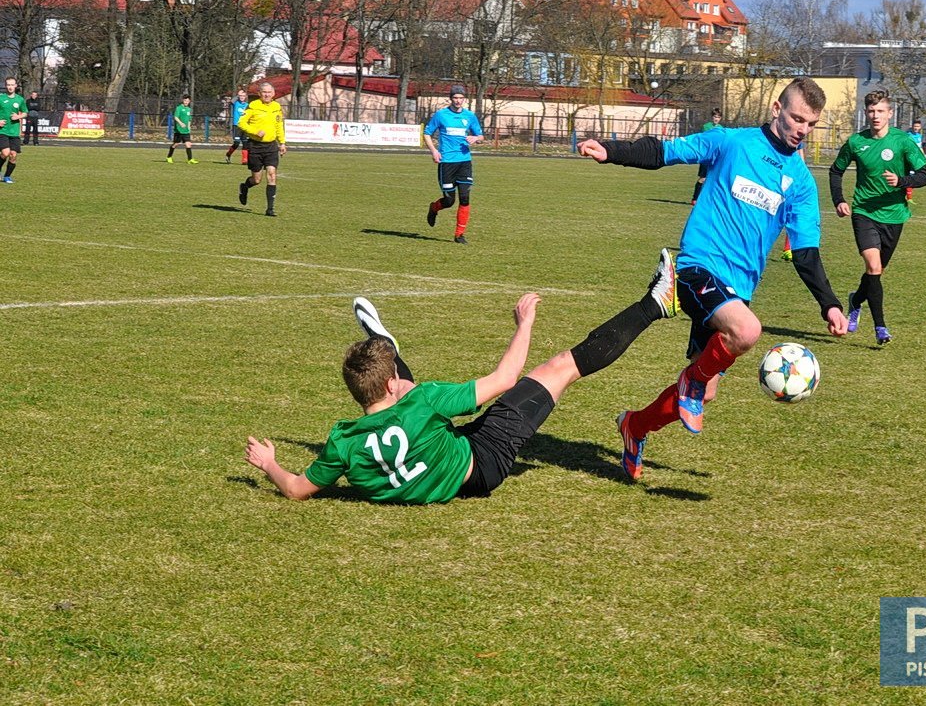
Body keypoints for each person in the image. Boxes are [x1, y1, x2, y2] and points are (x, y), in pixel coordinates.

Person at [243, 249, 679, 503]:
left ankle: (384, 343)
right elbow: (506, 378)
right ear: (390, 383)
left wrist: (270, 464)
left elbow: (298, 489)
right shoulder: (424, 400)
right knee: (561, 367)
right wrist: (523, 324)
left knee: (415, 401)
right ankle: (657, 302)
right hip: (483, 460)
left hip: (443, 456)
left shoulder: (343, 442)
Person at [578, 77, 848, 481]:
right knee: (747, 331)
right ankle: (690, 381)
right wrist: (612, 151)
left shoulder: (803, 186)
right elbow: (666, 151)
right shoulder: (731, 142)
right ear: (777, 110)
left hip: (736, 290)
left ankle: (635, 427)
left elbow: (806, 252)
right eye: (796, 119)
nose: (801, 130)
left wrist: (828, 302)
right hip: (697, 267)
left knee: (710, 389)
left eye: (810, 124)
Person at [828, 90, 926, 346]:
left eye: (881, 111)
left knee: (876, 272)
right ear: (866, 112)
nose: (876, 115)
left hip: (894, 215)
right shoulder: (856, 142)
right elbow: (836, 171)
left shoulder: (903, 141)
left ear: (890, 113)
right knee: (873, 267)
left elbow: (924, 176)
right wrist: (839, 200)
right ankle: (880, 327)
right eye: (871, 111)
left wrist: (902, 181)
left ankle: (855, 300)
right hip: (864, 212)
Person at [424, 84, 484, 244]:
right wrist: (434, 151)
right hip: (447, 163)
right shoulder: (441, 115)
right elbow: (427, 133)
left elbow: (481, 136)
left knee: (465, 198)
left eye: (461, 98)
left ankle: (459, 235)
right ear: (451, 98)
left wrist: (476, 138)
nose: (458, 101)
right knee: (449, 201)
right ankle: (434, 207)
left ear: (464, 99)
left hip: (464, 162)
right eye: (455, 98)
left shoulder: (470, 116)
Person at [236, 81, 286, 217]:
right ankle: (244, 187)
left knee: (271, 174)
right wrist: (255, 131)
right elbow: (241, 123)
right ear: (259, 94)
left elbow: (279, 126)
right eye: (264, 92)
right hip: (255, 146)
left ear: (273, 94)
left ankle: (270, 209)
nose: (267, 95)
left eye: (269, 92)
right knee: (257, 180)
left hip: (271, 146)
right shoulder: (253, 106)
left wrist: (282, 143)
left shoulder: (276, 107)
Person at [690, 108, 723, 204]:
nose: (716, 119)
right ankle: (695, 198)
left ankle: (709, 200)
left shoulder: (721, 128)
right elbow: (707, 140)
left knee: (714, 178)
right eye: (715, 116)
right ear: (712, 117)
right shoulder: (706, 127)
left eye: (718, 117)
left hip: (716, 157)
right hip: (707, 156)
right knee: (703, 178)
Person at [0, 77, 28, 183]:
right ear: (6, 86)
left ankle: (7, 176)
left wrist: (18, 116)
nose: (10, 87)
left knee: (13, 155)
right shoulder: (1, 98)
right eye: (8, 85)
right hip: (2, 131)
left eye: (12, 85)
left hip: (14, 132)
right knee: (5, 153)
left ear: (16, 86)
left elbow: (25, 112)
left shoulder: (20, 99)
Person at [166, 95, 198, 164]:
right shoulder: (179, 108)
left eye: (187, 101)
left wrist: (189, 127)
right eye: (185, 100)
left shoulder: (189, 109)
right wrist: (180, 123)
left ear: (189, 102)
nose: (186, 102)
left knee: (188, 144)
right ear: (183, 101)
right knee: (175, 144)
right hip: (179, 130)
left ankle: (190, 159)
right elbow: (176, 117)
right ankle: (169, 157)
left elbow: (189, 119)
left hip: (186, 131)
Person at [225, 88, 249, 164]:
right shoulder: (236, 103)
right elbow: (232, 101)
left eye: (243, 96)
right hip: (237, 126)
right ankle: (228, 154)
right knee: (237, 143)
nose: (242, 97)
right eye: (240, 96)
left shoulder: (247, 105)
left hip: (244, 126)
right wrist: (238, 95)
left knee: (245, 143)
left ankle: (245, 160)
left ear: (245, 97)